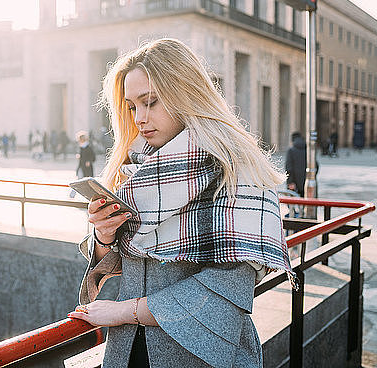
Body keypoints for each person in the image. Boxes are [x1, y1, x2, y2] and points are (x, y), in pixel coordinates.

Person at [67, 39, 294, 367]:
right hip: (127, 352)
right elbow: (124, 262)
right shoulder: (135, 168)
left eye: (151, 102)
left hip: (202, 354)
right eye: (132, 106)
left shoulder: (237, 172)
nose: (140, 118)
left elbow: (228, 288)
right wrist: (104, 234)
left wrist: (124, 311)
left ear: (185, 93)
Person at [285, 132, 307, 197]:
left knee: (293, 203)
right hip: (306, 181)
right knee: (306, 202)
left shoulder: (291, 150)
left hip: (294, 183)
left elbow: (289, 167)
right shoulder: (307, 150)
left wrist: (290, 182)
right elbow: (316, 165)